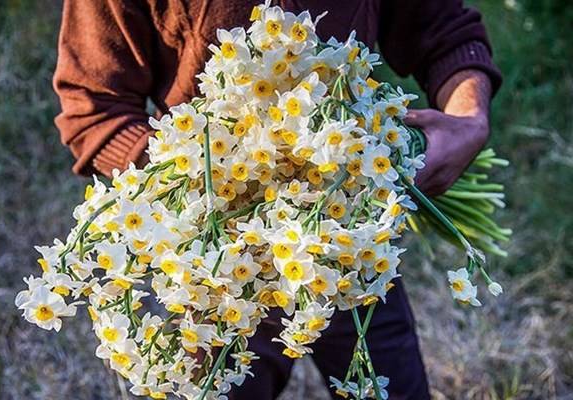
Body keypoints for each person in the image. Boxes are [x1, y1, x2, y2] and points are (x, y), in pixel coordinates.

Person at [53, 1, 501, 398]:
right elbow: (92, 107)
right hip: (218, 269)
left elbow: (442, 30)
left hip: (347, 239)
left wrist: (469, 118)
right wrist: (193, 173)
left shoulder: (357, 243)